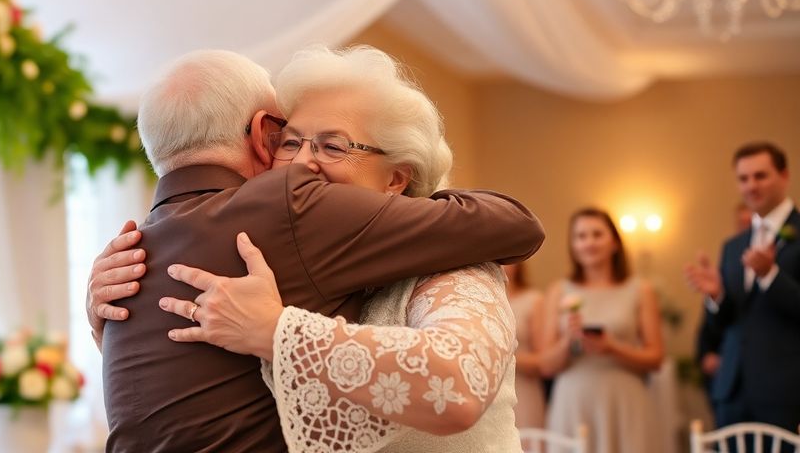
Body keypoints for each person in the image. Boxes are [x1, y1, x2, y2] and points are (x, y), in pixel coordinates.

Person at [90, 48, 545, 452]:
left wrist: (276, 331)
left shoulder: (455, 268)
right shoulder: (268, 257)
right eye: (289, 143)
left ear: (395, 178)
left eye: (332, 145)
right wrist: (104, 322)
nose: (303, 163)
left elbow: (457, 388)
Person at [685, 141, 800, 443]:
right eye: (743, 178)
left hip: (786, 390)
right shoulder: (733, 245)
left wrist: (771, 276)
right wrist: (716, 297)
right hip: (733, 389)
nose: (751, 185)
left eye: (760, 176)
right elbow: (725, 324)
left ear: (784, 175)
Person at [537, 208, 664, 453]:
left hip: (625, 400)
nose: (589, 243)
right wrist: (567, 340)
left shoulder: (639, 289)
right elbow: (545, 365)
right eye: (581, 236)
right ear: (572, 245)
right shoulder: (558, 290)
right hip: (574, 400)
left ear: (614, 242)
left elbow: (656, 358)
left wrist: (612, 347)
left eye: (597, 234)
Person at [696, 202, 750, 395]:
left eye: (750, 223)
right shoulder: (729, 255)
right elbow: (710, 323)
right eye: (741, 224)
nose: (745, 229)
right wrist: (707, 353)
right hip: (729, 374)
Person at [503, 262, 547, 430]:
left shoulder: (533, 300)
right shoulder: (477, 300)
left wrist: (501, 356)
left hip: (523, 389)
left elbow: (543, 360)